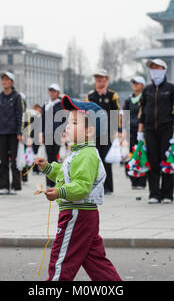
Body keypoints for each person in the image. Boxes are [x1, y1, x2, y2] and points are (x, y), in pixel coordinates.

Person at [34, 95, 121, 282]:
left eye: (73, 122)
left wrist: (60, 192)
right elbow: (66, 174)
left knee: (61, 260)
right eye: (68, 121)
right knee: (96, 261)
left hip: (76, 213)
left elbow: (81, 186)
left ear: (89, 131)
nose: (67, 126)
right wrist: (48, 167)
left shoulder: (86, 154)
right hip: (84, 215)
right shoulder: (78, 152)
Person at [138, 59, 174, 204]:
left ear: (164, 69)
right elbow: (142, 111)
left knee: (166, 160)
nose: (155, 69)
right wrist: (140, 132)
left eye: (157, 67)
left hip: (167, 129)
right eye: (152, 67)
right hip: (150, 129)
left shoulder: (172, 88)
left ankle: (168, 193)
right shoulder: (147, 90)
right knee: (152, 161)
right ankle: (154, 193)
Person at [86, 70, 122, 195]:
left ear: (106, 80)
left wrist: (118, 130)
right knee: (94, 160)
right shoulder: (91, 96)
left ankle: (108, 186)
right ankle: (95, 186)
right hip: (94, 133)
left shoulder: (112, 95)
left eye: (101, 79)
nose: (99, 81)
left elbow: (116, 114)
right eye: (97, 79)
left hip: (107, 133)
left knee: (106, 160)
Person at [0, 71, 25, 196]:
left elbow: (20, 115)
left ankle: (15, 186)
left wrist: (20, 132)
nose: (4, 82)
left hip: (14, 134)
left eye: (7, 79)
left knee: (14, 161)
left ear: (12, 82)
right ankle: (4, 186)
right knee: (3, 161)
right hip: (0, 133)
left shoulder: (17, 97)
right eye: (2, 79)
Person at [123, 76, 147, 190]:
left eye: (137, 83)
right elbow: (123, 116)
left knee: (142, 154)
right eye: (133, 83)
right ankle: (133, 179)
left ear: (142, 85)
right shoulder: (128, 100)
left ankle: (142, 181)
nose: (135, 85)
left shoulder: (146, 98)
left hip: (143, 131)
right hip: (131, 131)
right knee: (131, 154)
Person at [41, 84, 66, 187]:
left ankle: (57, 181)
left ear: (58, 93)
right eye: (50, 91)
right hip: (48, 134)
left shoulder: (61, 105)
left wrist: (64, 132)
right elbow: (42, 121)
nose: (51, 93)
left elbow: (64, 119)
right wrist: (42, 133)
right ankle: (49, 182)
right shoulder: (46, 105)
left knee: (57, 158)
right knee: (49, 159)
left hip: (58, 134)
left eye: (54, 91)